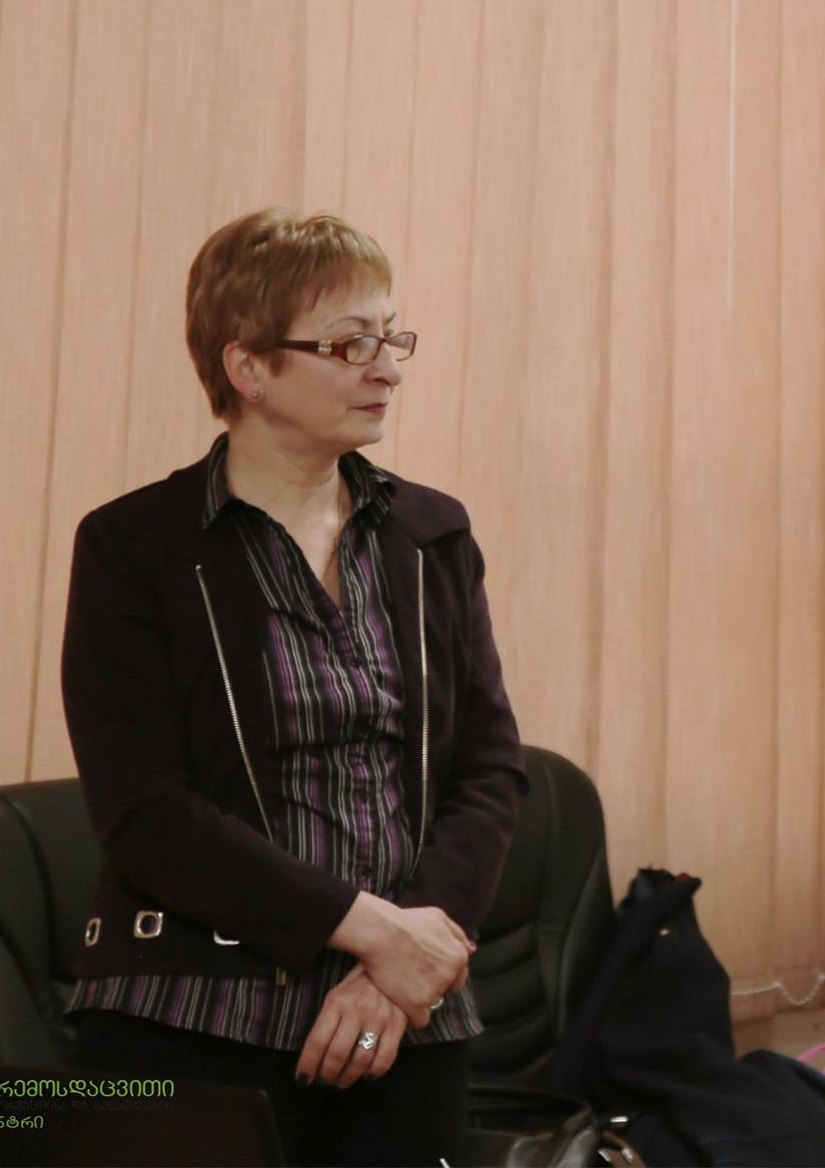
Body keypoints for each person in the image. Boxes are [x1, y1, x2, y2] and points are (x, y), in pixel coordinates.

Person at [60, 210, 527, 1166]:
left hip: (406, 1020)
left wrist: (400, 969)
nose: (387, 368)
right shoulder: (136, 548)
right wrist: (372, 931)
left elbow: (488, 768)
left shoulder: (432, 535)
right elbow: (145, 811)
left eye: (391, 338)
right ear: (248, 368)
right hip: (193, 1011)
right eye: (351, 344)